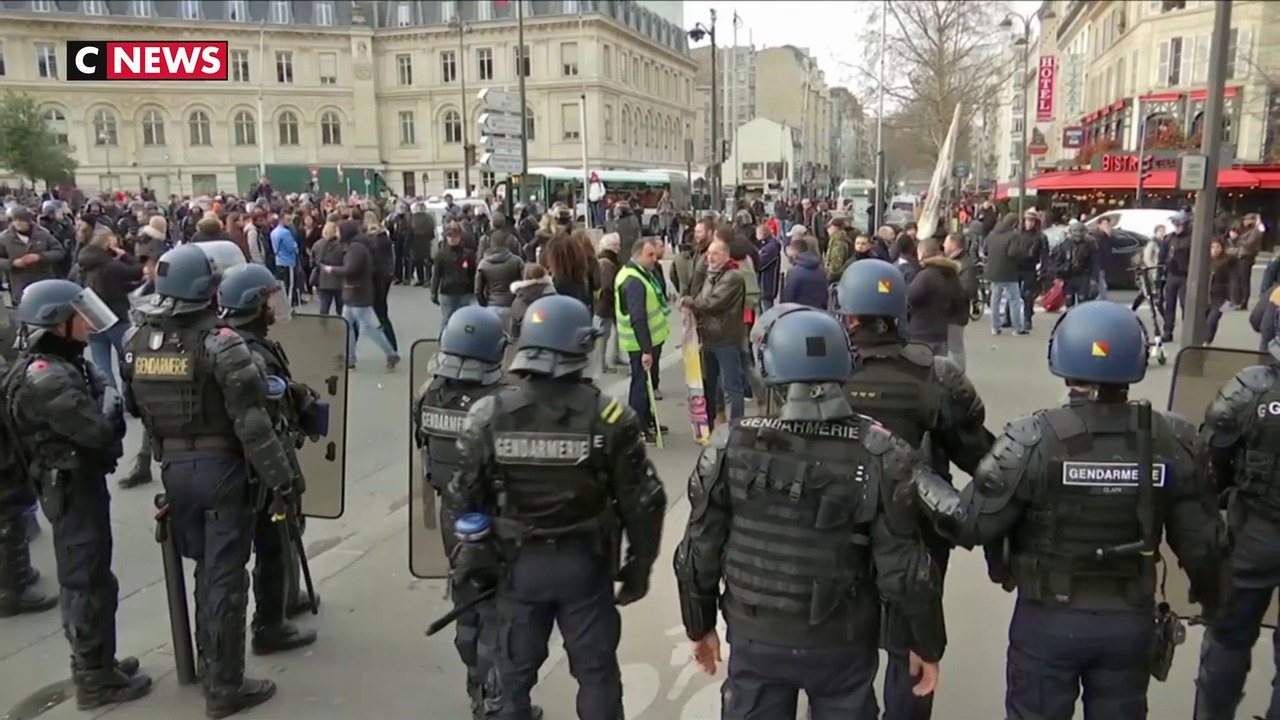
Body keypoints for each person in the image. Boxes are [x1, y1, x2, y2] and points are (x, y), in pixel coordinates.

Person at [908, 300, 1227, 720]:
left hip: (1048, 620)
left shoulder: (1032, 438)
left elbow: (967, 523)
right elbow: (1203, 546)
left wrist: (914, 471)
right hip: (1129, 620)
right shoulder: (1174, 439)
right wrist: (1216, 604)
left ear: (1061, 358)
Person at [674, 307, 943, 719]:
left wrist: (699, 624)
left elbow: (699, 548)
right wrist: (925, 643)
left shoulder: (732, 445)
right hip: (843, 642)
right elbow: (905, 569)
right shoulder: (879, 450)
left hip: (756, 635)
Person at [446, 294, 666, 720]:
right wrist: (639, 567)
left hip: (517, 566)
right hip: (585, 564)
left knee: (512, 678)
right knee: (596, 673)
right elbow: (644, 503)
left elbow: (463, 497)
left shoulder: (488, 414)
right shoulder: (610, 417)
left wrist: (475, 550)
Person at [121, 242, 296, 717]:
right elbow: (253, 423)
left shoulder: (136, 341)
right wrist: (283, 479)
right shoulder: (221, 342)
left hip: (174, 472)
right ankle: (224, 687)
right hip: (222, 471)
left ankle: (207, 663)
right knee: (224, 578)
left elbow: (135, 408)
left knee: (206, 572)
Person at [834, 258, 994, 720]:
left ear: (849, 315)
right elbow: (985, 462)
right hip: (916, 533)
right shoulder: (935, 376)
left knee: (842, 650)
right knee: (910, 649)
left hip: (840, 528)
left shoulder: (825, 372)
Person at [3, 279, 153, 707]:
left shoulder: (56, 364)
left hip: (74, 483)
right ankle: (93, 678)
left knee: (95, 577)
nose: (87, 324)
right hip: (69, 488)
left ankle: (100, 662)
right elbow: (100, 430)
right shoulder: (46, 377)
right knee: (85, 579)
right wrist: (107, 390)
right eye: (77, 317)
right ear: (56, 323)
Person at [412, 306, 532, 720]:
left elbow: (424, 448)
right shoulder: (505, 402)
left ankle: (477, 688)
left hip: (455, 519)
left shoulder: (428, 393)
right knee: (503, 612)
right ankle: (499, 702)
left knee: (468, 603)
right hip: (500, 520)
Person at [216, 263, 321, 652]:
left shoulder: (238, 341)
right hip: (262, 462)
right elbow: (265, 415)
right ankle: (270, 625)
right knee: (273, 542)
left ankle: (282, 602)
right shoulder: (248, 350)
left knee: (278, 537)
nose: (273, 306)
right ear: (253, 304)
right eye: (267, 298)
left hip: (246, 461)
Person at [1194, 307, 1280, 719]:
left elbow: (1211, 458)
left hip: (1254, 534)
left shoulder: (1250, 390)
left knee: (1229, 638)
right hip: (1254, 529)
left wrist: (1226, 499)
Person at [615, 237, 671, 442]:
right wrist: (646, 349)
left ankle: (647, 420)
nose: (654, 259)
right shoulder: (634, 280)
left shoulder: (637, 274)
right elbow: (638, 317)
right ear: (637, 255)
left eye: (655, 255)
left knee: (645, 384)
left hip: (645, 340)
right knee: (640, 384)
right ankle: (637, 426)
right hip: (640, 342)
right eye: (650, 255)